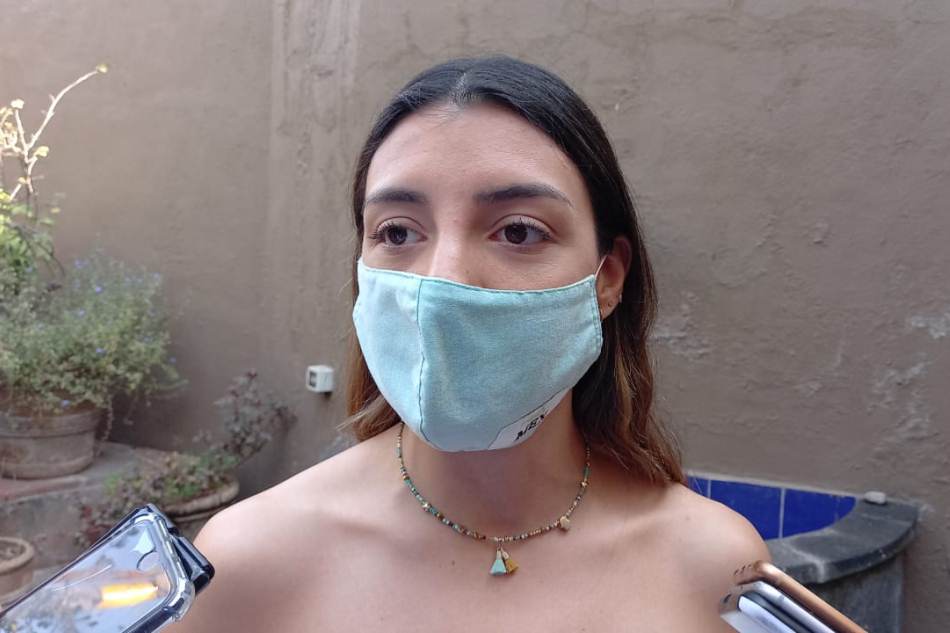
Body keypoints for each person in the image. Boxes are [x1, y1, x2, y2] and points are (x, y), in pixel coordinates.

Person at [168, 55, 769, 632]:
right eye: (397, 232)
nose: (443, 282)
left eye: (519, 231)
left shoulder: (715, 569)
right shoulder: (247, 563)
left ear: (607, 277)